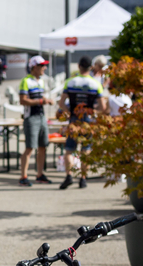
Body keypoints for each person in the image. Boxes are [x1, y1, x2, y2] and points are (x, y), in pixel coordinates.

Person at [59, 56, 107, 190]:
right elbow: (102, 107)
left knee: (69, 150)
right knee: (86, 150)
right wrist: (93, 111)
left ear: (79, 66)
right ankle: (83, 178)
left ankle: (69, 175)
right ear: (90, 67)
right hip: (88, 119)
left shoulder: (70, 81)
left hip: (74, 118)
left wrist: (69, 111)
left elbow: (61, 103)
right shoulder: (95, 83)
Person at [17, 56, 53, 187]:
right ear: (34, 67)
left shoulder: (41, 81)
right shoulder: (26, 81)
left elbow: (40, 97)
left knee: (43, 146)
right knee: (29, 148)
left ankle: (39, 174)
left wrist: (46, 100)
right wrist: (41, 101)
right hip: (31, 118)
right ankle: (23, 177)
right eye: (42, 65)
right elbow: (23, 100)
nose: (45, 68)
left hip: (42, 116)